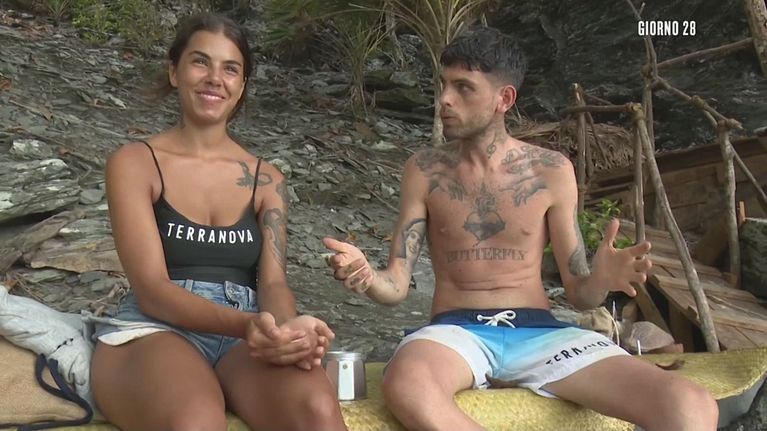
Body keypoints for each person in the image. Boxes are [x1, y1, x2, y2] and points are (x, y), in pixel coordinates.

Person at [324, 27, 718, 431]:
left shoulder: (550, 171)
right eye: (443, 84)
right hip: (454, 334)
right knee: (409, 386)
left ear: (505, 99)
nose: (444, 99)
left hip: (539, 334)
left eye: (463, 87)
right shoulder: (424, 170)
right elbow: (396, 285)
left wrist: (601, 280)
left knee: (690, 404)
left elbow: (580, 295)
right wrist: (367, 276)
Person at [90, 13, 347, 431]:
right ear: (174, 72)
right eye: (200, 62)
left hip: (245, 331)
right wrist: (248, 326)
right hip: (156, 328)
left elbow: (273, 284)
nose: (215, 78)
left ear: (242, 86)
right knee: (195, 420)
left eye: (230, 69)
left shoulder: (267, 179)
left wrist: (284, 332)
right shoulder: (135, 163)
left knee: (316, 410)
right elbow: (153, 290)